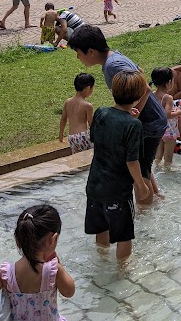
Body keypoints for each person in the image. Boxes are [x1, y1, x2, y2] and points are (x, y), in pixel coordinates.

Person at [68, 26, 166, 203]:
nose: (77, 58)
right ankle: (157, 196)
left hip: (148, 122)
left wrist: (129, 116)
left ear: (90, 51)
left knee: (138, 173)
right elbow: (141, 72)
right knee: (142, 165)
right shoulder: (114, 59)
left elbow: (144, 87)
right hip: (152, 118)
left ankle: (146, 215)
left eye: (78, 53)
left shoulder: (113, 66)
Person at [84, 70, 151, 258]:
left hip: (95, 186)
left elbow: (96, 138)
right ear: (138, 98)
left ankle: (102, 261)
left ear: (113, 91)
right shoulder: (134, 125)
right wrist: (141, 185)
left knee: (102, 229)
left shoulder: (100, 113)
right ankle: (122, 274)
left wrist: (127, 119)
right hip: (118, 192)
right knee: (124, 236)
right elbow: (132, 161)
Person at [0, 204, 75, 318]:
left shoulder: (5, 274)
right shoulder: (53, 271)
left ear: (18, 241)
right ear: (53, 239)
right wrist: (58, 265)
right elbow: (69, 292)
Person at [151, 67, 181, 166]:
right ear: (169, 82)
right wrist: (178, 112)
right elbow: (167, 114)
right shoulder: (168, 98)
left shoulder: (152, 95)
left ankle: (156, 170)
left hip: (158, 130)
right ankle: (168, 173)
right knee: (168, 158)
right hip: (169, 131)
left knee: (158, 157)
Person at [59, 73, 95, 154]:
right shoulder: (87, 105)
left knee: (77, 158)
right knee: (91, 155)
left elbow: (63, 119)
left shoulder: (67, 102)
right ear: (88, 88)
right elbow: (92, 124)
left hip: (71, 137)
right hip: (83, 136)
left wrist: (61, 134)